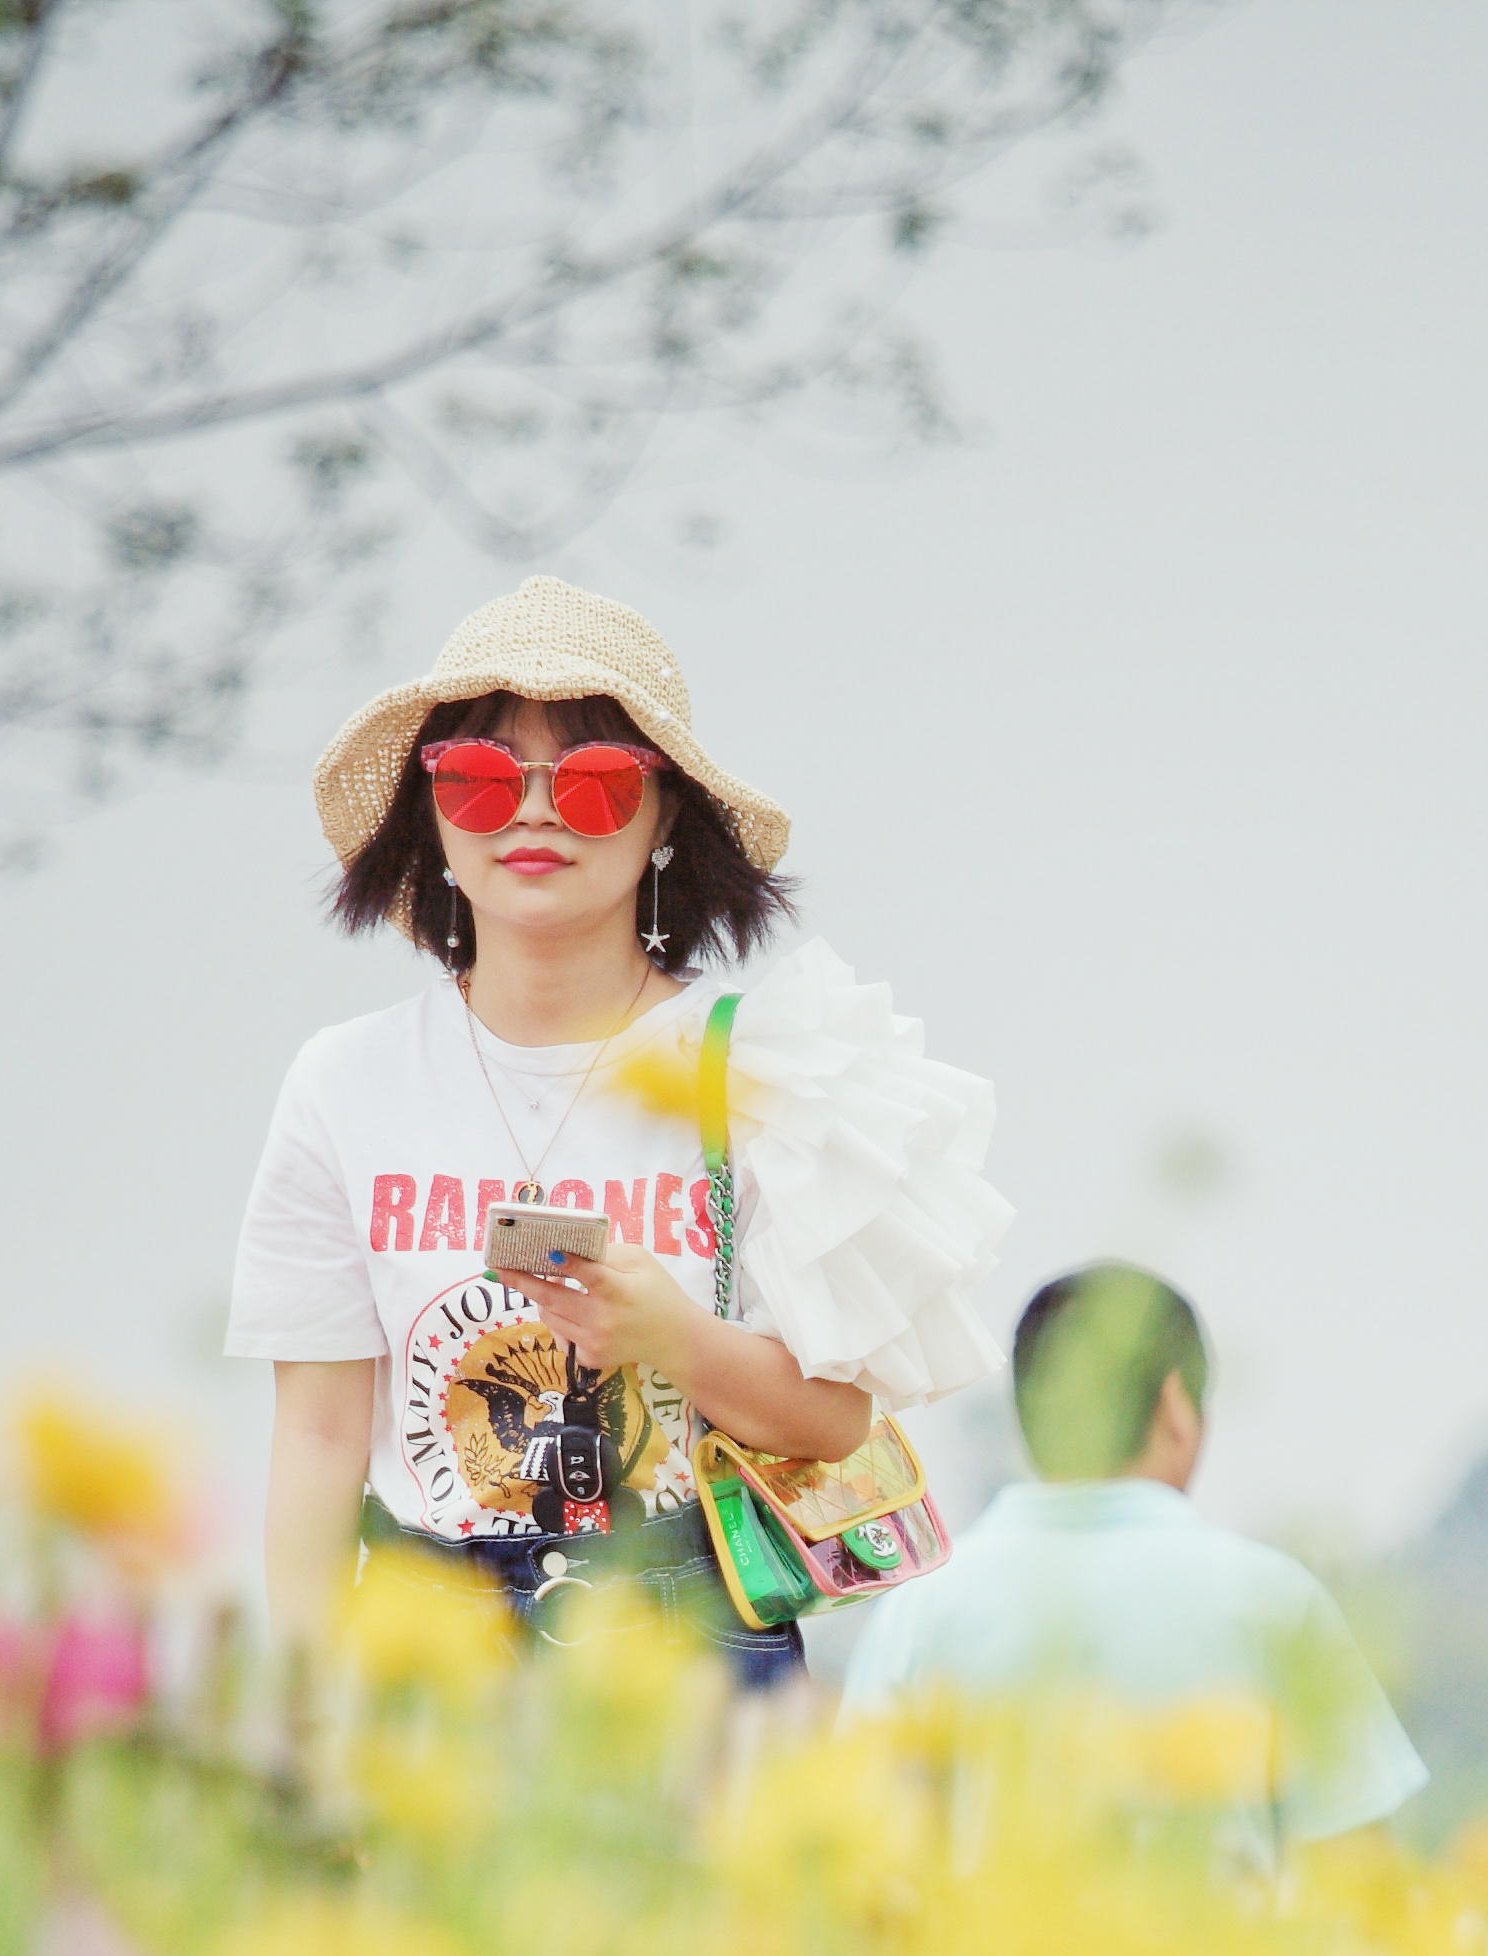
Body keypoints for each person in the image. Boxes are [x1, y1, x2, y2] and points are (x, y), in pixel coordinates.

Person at [225, 575, 1009, 1688]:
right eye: (485, 778)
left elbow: (837, 1418)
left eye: (593, 782)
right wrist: (303, 1732)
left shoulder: (761, 1073)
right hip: (424, 1656)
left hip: (688, 1645)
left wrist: (674, 1338)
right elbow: (314, 1438)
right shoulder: (344, 1084)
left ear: (665, 816)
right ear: (429, 806)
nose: (534, 812)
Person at [838, 1263, 1426, 1865]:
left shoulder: (922, 1607)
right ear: (1176, 1405)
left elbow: (866, 1865)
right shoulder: (1275, 1601)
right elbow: (1358, 1874)